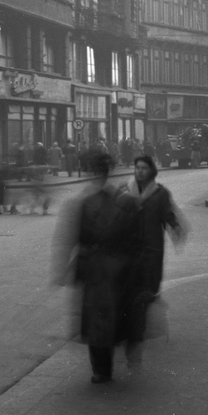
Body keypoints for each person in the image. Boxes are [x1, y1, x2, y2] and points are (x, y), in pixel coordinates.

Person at [53, 152, 139, 384]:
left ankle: (101, 369)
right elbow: (132, 238)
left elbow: (72, 238)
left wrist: (62, 268)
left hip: (94, 267)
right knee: (110, 316)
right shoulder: (121, 199)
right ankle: (105, 365)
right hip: (114, 268)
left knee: (96, 318)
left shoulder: (83, 202)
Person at [120, 155, 185, 370]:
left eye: (144, 168)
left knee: (150, 287)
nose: (139, 171)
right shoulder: (125, 190)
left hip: (152, 249)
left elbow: (168, 215)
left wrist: (176, 228)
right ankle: (134, 329)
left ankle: (145, 325)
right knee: (130, 290)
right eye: (137, 167)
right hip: (129, 249)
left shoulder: (160, 193)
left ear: (151, 170)